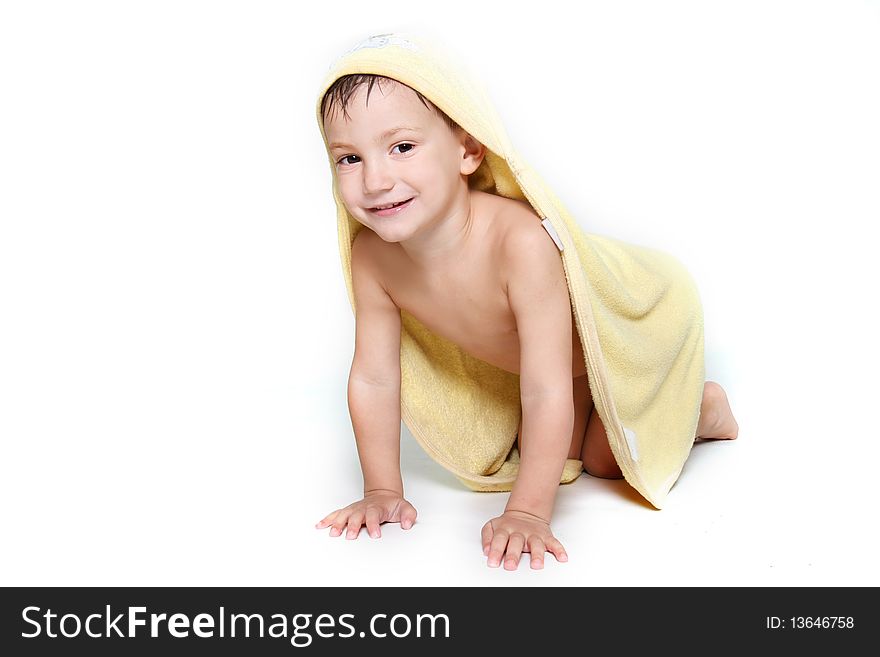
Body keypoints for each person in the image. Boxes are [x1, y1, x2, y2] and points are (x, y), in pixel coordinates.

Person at [314, 70, 739, 570]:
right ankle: (649, 412)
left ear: (467, 152)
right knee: (562, 460)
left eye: (402, 147)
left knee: (607, 464)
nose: (376, 180)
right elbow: (375, 376)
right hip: (558, 367)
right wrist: (381, 488)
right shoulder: (373, 258)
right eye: (349, 158)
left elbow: (543, 389)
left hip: (639, 321)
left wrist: (528, 512)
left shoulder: (519, 244)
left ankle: (702, 408)